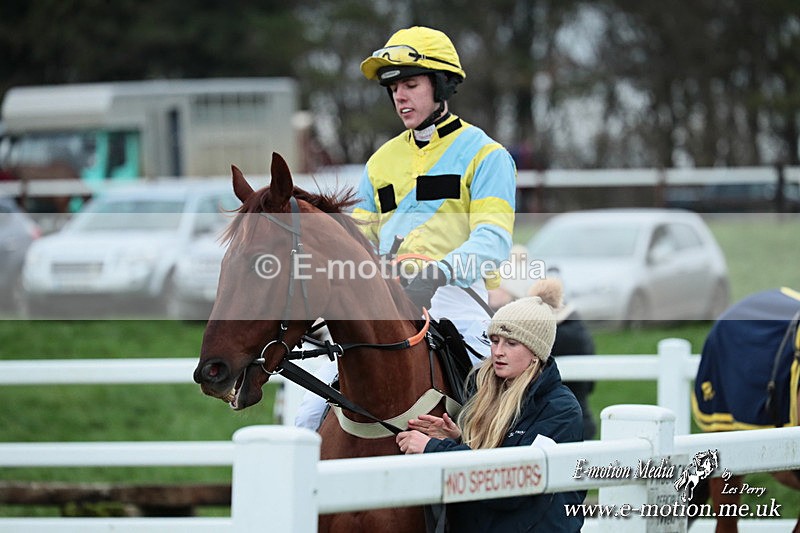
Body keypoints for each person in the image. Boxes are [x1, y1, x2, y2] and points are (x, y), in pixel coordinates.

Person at [295, 26, 517, 430]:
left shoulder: (488, 155)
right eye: (394, 87)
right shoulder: (380, 162)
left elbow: (493, 240)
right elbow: (358, 239)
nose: (400, 96)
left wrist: (438, 272)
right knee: (307, 420)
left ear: (441, 85)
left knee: (495, 419)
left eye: (411, 84)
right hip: (389, 302)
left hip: (459, 305)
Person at [396, 279, 585, 532]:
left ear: (535, 352)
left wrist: (433, 449)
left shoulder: (561, 409)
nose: (497, 351)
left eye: (511, 343)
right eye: (494, 340)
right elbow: (501, 451)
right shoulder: (486, 390)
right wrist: (459, 439)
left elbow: (513, 483)